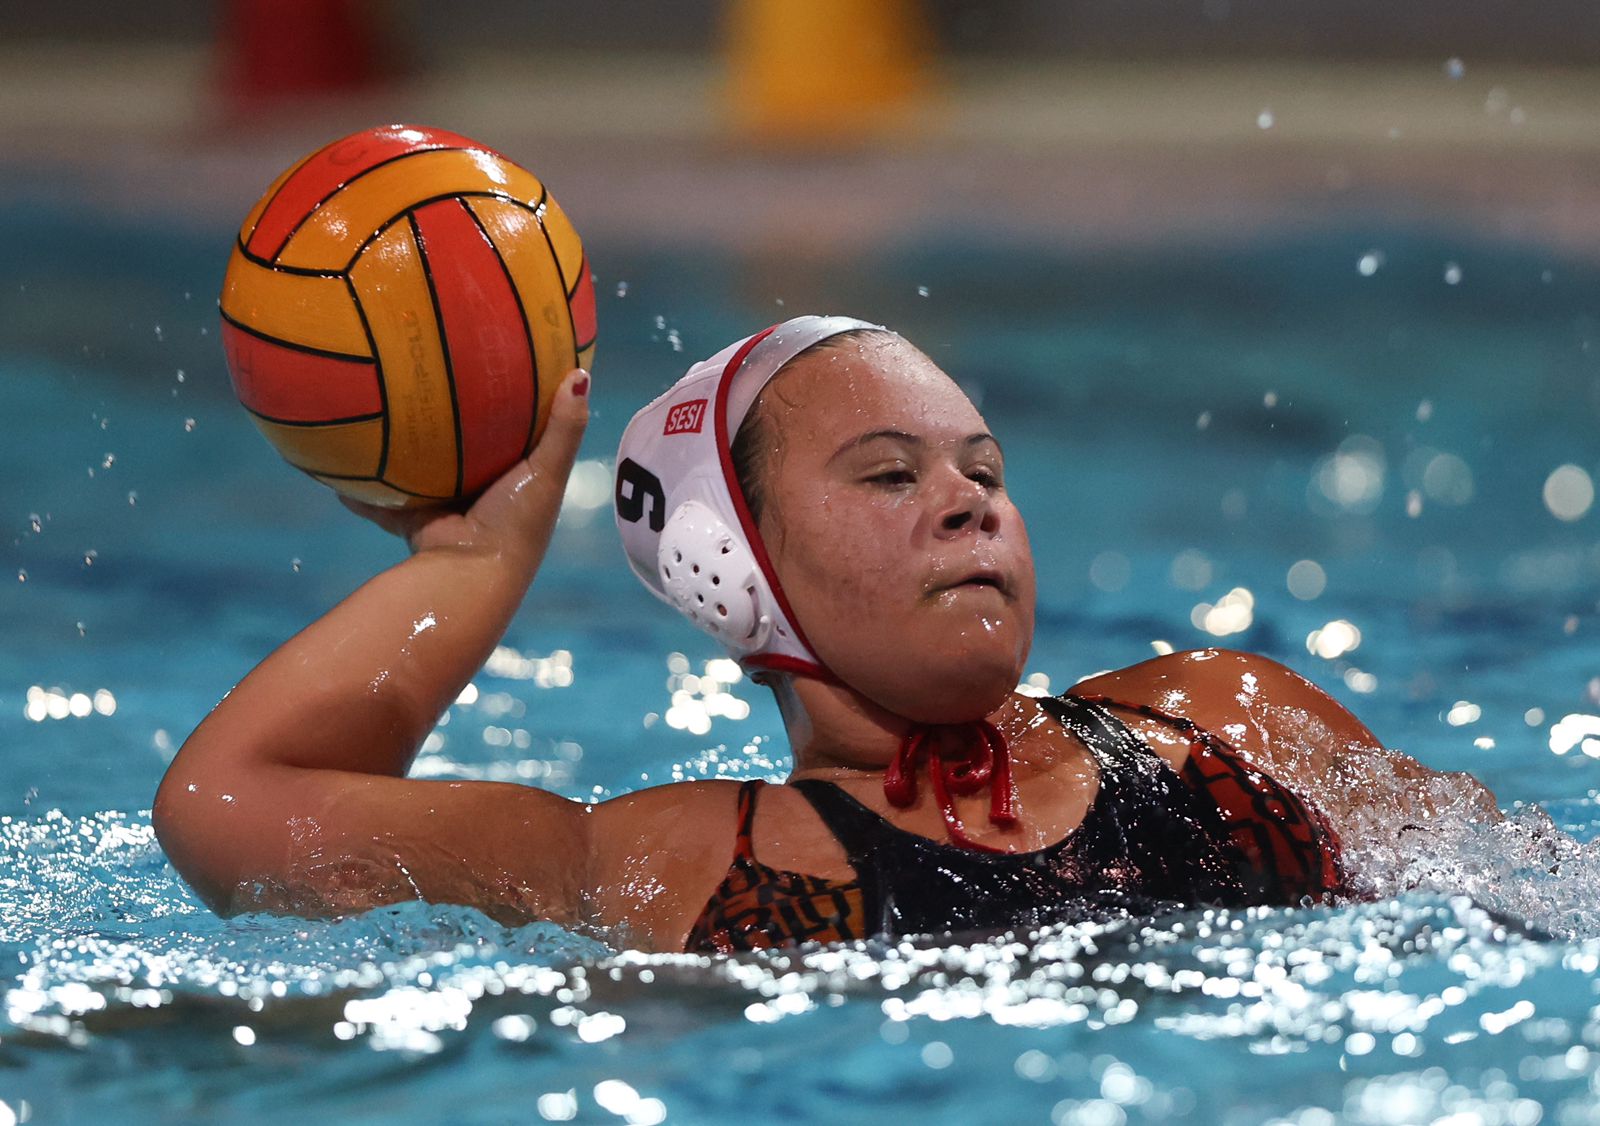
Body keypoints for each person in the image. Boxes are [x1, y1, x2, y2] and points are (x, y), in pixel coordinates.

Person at [153, 316, 1501, 953]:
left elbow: (1536, 898)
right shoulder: (683, 864)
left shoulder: (1229, 721)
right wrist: (483, 562)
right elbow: (230, 811)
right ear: (731, 567)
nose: (969, 497)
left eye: (983, 466)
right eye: (889, 473)